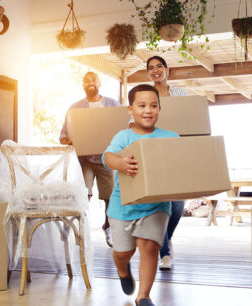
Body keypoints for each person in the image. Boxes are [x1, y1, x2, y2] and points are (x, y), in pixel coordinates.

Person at [103, 84, 178, 306]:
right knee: (123, 252)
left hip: (157, 205)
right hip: (123, 205)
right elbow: (108, 157)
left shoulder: (170, 137)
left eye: (153, 106)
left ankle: (143, 296)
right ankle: (122, 268)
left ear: (159, 109)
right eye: (142, 105)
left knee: (149, 246)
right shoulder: (124, 136)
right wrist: (121, 163)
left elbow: (180, 162)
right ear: (130, 109)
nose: (148, 110)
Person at [60, 71, 120, 248]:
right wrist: (69, 140)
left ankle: (108, 226)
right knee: (83, 196)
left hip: (106, 159)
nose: (90, 83)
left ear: (99, 82)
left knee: (111, 198)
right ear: (83, 85)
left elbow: (122, 128)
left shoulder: (112, 104)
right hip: (85, 160)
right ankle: (80, 230)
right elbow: (63, 134)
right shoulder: (74, 108)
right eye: (87, 81)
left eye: (93, 79)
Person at [146, 55, 187, 270]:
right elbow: (134, 118)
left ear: (166, 69)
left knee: (178, 206)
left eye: (159, 66)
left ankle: (166, 237)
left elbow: (188, 117)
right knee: (163, 205)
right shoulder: (146, 94)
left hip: (177, 154)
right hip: (155, 154)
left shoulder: (179, 93)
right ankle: (165, 254)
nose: (155, 70)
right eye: (151, 68)